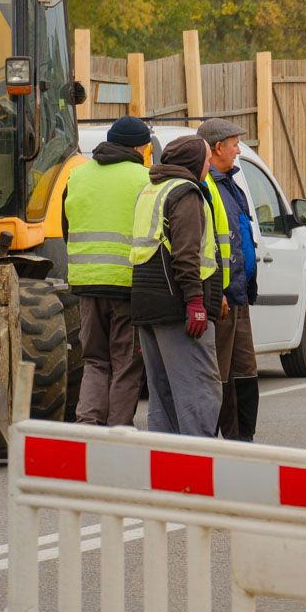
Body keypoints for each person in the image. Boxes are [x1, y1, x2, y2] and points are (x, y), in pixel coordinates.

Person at [130, 135, 224, 436]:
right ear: (194, 163)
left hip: (148, 303)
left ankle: (166, 472)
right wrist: (195, 303)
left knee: (164, 397)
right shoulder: (186, 194)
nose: (209, 167)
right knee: (199, 394)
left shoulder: (151, 189)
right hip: (178, 307)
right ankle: (197, 472)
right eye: (207, 161)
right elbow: (186, 255)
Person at [63, 116, 151, 426]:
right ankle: (117, 431)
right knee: (126, 363)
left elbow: (67, 227)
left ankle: (89, 425)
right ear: (139, 147)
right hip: (127, 285)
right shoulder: (144, 178)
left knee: (95, 361)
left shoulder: (78, 176)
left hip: (87, 284)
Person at [197, 118, 261, 441]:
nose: (238, 150)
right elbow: (209, 244)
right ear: (218, 147)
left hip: (239, 295)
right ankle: (227, 441)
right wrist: (217, 292)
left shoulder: (230, 183)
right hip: (222, 298)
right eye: (234, 144)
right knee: (221, 374)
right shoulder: (206, 186)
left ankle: (244, 439)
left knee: (245, 371)